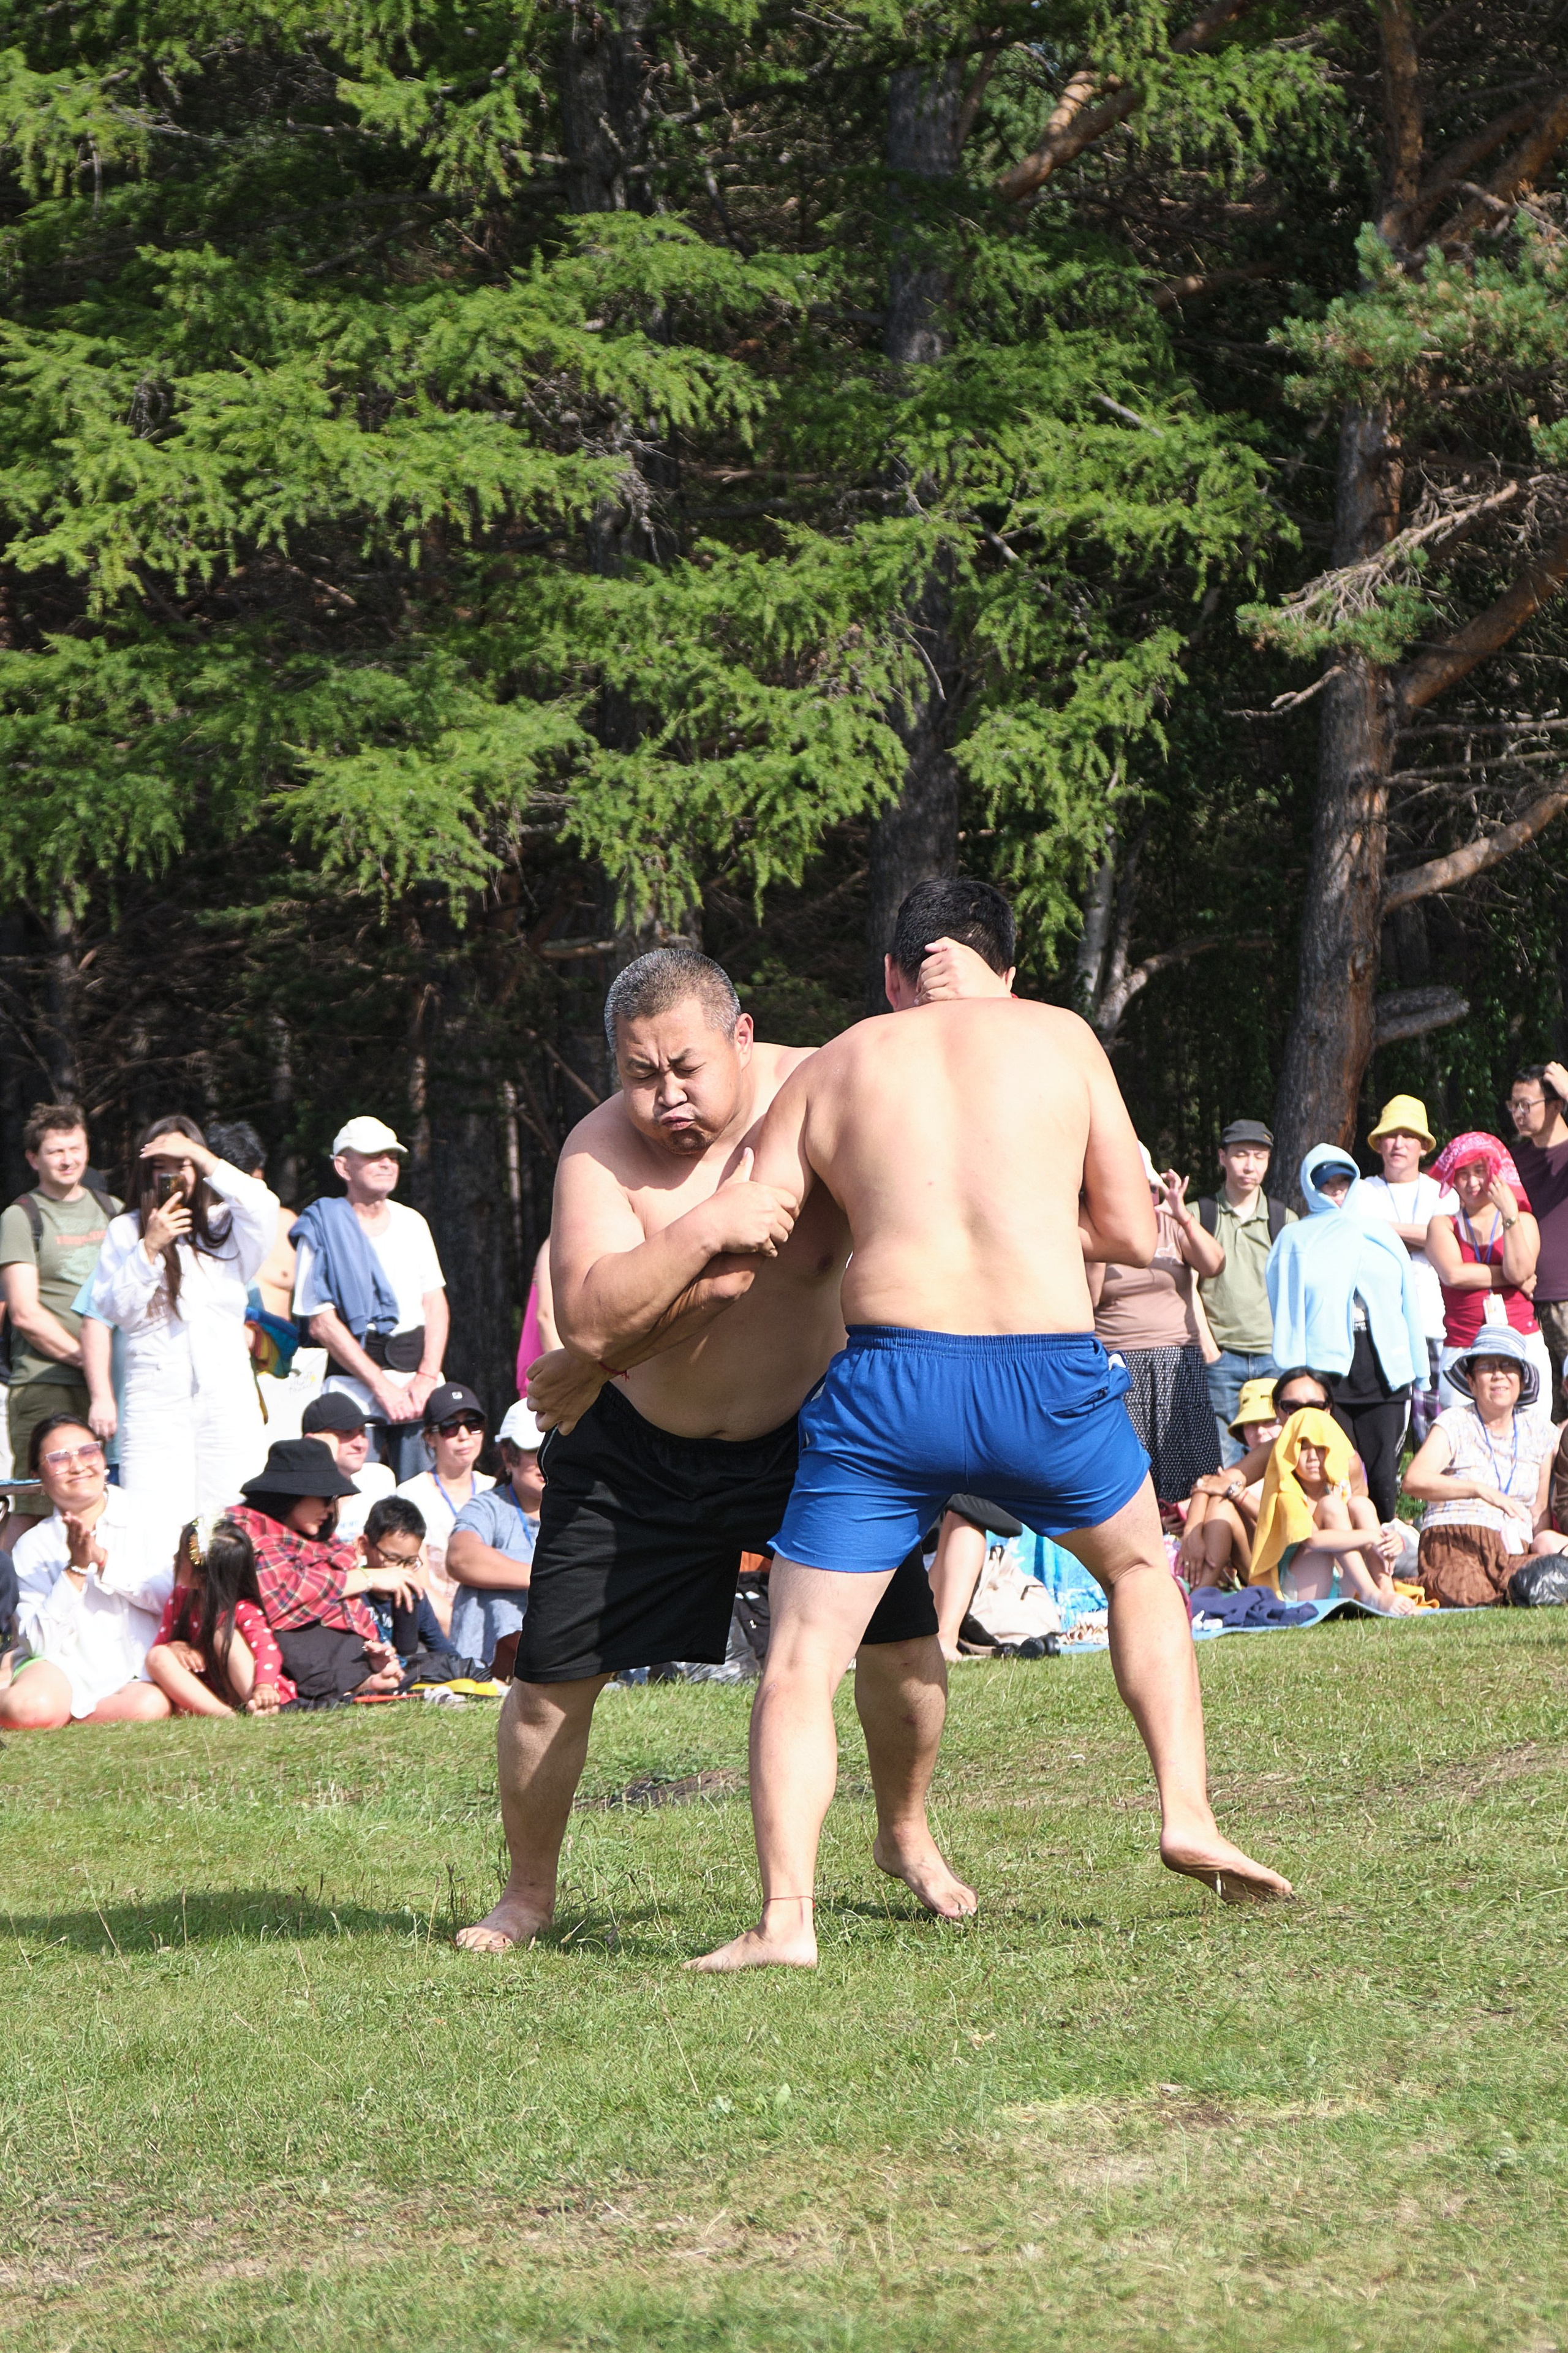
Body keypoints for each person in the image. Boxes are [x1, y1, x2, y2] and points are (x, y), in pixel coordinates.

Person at [674, 898, 1289, 1974]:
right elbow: (1129, 1230)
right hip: (1043, 1371)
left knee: (803, 1659)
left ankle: (786, 1919)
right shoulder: (1060, 1038)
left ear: (894, 974)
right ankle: (1186, 1810)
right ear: (1008, 969)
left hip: (890, 1380)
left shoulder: (837, 1063)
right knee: (1143, 1571)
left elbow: (762, 1229)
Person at [458, 910, 994, 1957]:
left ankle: (904, 1832)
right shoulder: (596, 1151)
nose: (665, 1099)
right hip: (638, 1447)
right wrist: (706, 1227)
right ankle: (527, 1894)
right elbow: (592, 1320)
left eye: (687, 1069)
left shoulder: (831, 1086)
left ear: (743, 1035)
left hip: (813, 1435)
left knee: (904, 1651)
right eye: (639, 1074)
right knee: (549, 1685)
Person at [81, 1117, 279, 1520]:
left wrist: (201, 1155)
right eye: (161, 1165)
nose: (173, 1173)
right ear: (146, 1172)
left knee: (233, 1513)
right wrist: (150, 1248)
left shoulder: (227, 1223)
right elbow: (116, 1309)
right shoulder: (125, 1230)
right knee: (154, 1517)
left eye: (182, 1162)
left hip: (226, 1393)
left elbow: (264, 1204)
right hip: (155, 1396)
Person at [1265, 1148, 1426, 1522]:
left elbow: (1408, 1302)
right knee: (1334, 1472)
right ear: (1310, 1188)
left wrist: (1418, 1364)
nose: (1336, 1192)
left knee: (1384, 1474)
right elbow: (1285, 1309)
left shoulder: (1381, 1234)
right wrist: (1293, 1373)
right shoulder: (1295, 1239)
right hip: (1326, 1374)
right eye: (1326, 1185)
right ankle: (1341, 1563)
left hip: (1384, 1367)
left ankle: (1383, 1554)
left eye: (1343, 1183)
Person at [290, 1116, 448, 1481]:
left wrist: (425, 1377)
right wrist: (382, 1387)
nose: (387, 1163)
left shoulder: (413, 1223)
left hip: (417, 1389)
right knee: (356, 1498)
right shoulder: (320, 1227)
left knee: (421, 1499)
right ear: (343, 1166)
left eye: (392, 1156)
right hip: (354, 1391)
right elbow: (321, 1322)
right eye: (373, 1155)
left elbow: (435, 1302)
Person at [0, 1413, 175, 1731]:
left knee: (149, 1707)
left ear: (104, 1458)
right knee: (27, 1709)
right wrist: (76, 1570)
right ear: (38, 1475)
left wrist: (103, 1559)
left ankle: (67, 1717)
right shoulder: (33, 1545)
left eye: (88, 1452)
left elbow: (172, 1600)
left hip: (138, 1672)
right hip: (63, 1669)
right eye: (59, 1459)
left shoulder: (149, 1514)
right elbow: (38, 1643)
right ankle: (45, 1705)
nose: (78, 1466)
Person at [229, 1437, 410, 1702]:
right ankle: (358, 1682)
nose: (330, 1509)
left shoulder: (322, 1543)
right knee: (300, 1633)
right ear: (292, 1494)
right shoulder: (246, 1530)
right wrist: (367, 1577)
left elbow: (332, 1599)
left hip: (335, 1661)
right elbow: (282, 1596)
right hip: (277, 1648)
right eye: (325, 1498)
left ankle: (368, 1678)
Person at [1090, 1149, 1223, 1505]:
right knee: (1131, 1472)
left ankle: (1188, 1547)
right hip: (1121, 1363)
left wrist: (1184, 1218)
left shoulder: (1169, 1224)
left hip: (1178, 1360)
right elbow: (1088, 1301)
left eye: (1152, 1188)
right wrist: (1107, 1242)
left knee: (1192, 1468)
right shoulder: (1094, 1229)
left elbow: (1214, 1264)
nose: (1147, 1197)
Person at [0, 1104, 120, 1474]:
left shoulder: (114, 1210)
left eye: (75, 1149)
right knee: (37, 1499)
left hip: (112, 1387)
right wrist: (90, 1362)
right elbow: (24, 1313)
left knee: (103, 1498)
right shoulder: (21, 1217)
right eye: (56, 1152)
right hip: (45, 1382)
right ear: (34, 1159)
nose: (68, 1160)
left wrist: (105, 1375)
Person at [1401, 1327, 1556, 1607]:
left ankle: (1510, 1591)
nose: (1499, 1374)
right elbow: (1413, 1480)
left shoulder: (1540, 1431)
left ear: (1521, 1379)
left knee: (1541, 1580)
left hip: (1511, 1549)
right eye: (1487, 1367)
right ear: (1471, 1382)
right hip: (1453, 1538)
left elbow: (1538, 1511)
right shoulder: (1455, 1422)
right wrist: (1478, 1490)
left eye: (1508, 1365)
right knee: (1465, 1586)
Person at [1425, 1131, 1549, 1421]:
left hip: (1522, 1340)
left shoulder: (1524, 1220)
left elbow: (1521, 1270)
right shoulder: (1442, 1226)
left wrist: (1509, 1213)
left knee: (1533, 1437)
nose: (1472, 1183)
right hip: (1465, 1343)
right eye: (1463, 1174)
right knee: (1462, 1444)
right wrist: (1513, 1276)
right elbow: (1454, 1274)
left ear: (1496, 1173)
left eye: (1480, 1171)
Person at [1193, 1120, 1295, 1465]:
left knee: (1276, 1459)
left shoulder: (1284, 1220)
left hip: (1273, 1358)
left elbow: (1298, 1293)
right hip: (1221, 1359)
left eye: (1259, 1156)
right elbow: (1184, 1288)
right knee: (1224, 1458)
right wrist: (1209, 1349)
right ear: (1222, 1158)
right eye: (1240, 1155)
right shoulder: (1198, 1216)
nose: (1250, 1165)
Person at [1247, 1408, 1412, 1609]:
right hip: (1297, 1592)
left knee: (1361, 1505)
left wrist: (1389, 1540)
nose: (1313, 1457)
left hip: (1338, 1582)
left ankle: (1385, 1592)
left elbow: (1368, 1532)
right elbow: (1313, 1540)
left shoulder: (1338, 1489)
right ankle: (1371, 1595)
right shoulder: (1286, 1494)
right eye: (1303, 1448)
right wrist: (1371, 1536)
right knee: (1331, 1506)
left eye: (1321, 1448)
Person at [145, 1513, 295, 1717]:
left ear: (201, 1576)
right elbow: (160, 1645)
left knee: (223, 1634)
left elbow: (266, 1649)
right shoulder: (180, 1599)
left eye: (181, 1555)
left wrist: (264, 1686)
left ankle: (260, 1705)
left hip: (251, 1688)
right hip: (212, 1693)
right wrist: (174, 1647)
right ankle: (223, 1714)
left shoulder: (242, 1608)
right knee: (157, 1656)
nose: (174, 1559)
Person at [1359, 1096, 1446, 1444]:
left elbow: (1446, 1242)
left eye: (1409, 1136)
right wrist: (1427, 1238)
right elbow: (1357, 1237)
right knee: (1385, 1430)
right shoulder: (1361, 1190)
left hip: (1434, 1323)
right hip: (1381, 1327)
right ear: (1379, 1144)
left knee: (1435, 1423)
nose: (1399, 1144)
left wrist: (1381, 1229)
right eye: (1391, 1135)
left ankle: (1436, 1496)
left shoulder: (1442, 1191)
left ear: (1423, 1146)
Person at [447, 1400, 544, 1675]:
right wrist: (548, 1578)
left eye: (554, 1447)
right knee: (482, 1588)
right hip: (508, 1655)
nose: (546, 1460)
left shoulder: (583, 1506)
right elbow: (460, 1559)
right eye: (534, 1450)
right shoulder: (487, 1507)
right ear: (507, 1455)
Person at [395, 1381, 496, 1631]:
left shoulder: (496, 1490)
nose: (464, 1435)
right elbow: (420, 1584)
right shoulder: (410, 1495)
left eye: (473, 1425)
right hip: (441, 1626)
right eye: (451, 1427)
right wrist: (465, 1632)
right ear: (430, 1437)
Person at [1175, 1376, 1282, 1585]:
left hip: (1300, 1572)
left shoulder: (1305, 1460)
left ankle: (1199, 1594)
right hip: (1257, 1565)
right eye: (1251, 1424)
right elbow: (1207, 1483)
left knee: (1223, 1501)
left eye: (1268, 1422)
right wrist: (1190, 1532)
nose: (1260, 1432)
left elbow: (1288, 1527)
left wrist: (1238, 1494)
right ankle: (1201, 1593)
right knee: (1219, 1502)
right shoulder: (1254, 1463)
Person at [1506, 1062, 1568, 1418]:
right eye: (1513, 1105)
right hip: (1527, 1304)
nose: (1518, 1114)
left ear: (1557, 1104)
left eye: (1526, 1105)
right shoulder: (1513, 1161)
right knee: (1542, 1416)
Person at [300, 1391, 396, 1540]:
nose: (360, 1444)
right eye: (346, 1433)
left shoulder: (380, 1479)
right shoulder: (295, 1499)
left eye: (363, 1432)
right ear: (313, 1440)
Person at [514, 1239, 560, 1398]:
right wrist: (565, 1383)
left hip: (541, 1376)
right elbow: (545, 1317)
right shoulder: (558, 1241)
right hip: (547, 1381)